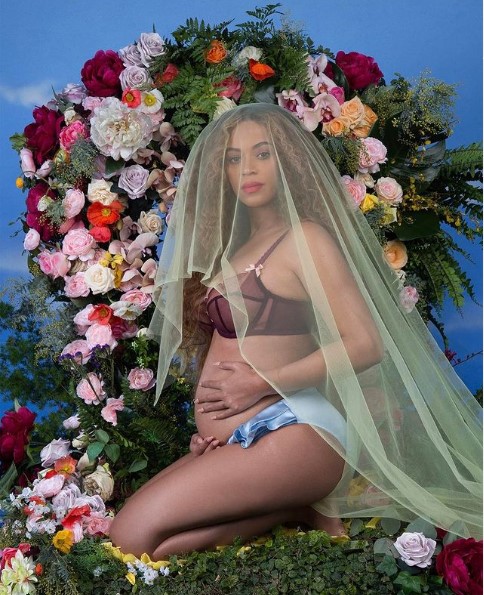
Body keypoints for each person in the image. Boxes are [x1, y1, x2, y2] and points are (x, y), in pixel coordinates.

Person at [109, 103, 482, 560]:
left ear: (286, 160)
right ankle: (296, 509)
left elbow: (365, 344)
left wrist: (258, 383)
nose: (247, 168)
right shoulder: (235, 247)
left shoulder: (306, 238)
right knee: (140, 541)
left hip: (296, 430)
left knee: (131, 536)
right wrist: (219, 427)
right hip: (242, 439)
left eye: (262, 154)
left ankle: (299, 500)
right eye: (233, 158)